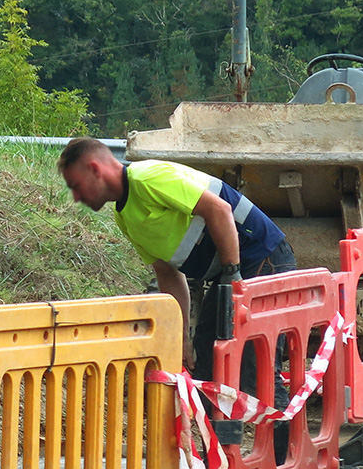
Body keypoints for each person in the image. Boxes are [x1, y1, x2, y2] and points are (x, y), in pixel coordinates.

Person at [57, 138, 297, 450]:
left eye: (76, 185)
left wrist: (233, 274)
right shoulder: (125, 216)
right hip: (231, 274)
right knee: (207, 365)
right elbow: (169, 273)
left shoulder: (149, 178)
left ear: (94, 169)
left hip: (261, 257)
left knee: (257, 367)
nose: (76, 197)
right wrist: (182, 336)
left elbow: (219, 209)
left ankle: (286, 464)